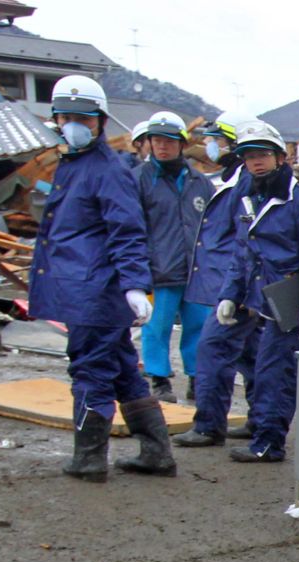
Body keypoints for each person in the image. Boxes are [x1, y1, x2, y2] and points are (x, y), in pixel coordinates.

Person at [29, 75, 176, 481]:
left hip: (95, 291)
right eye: (68, 117)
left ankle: (89, 459)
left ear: (100, 122)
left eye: (85, 118)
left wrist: (133, 284)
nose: (75, 124)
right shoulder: (74, 165)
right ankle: (156, 454)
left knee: (90, 368)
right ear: (56, 118)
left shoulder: (106, 170)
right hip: (87, 286)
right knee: (123, 369)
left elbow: (127, 230)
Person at [214, 119, 299, 463]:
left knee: (275, 372)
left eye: (262, 154)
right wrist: (230, 294)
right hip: (261, 297)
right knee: (257, 366)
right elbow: (243, 251)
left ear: (279, 157)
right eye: (249, 155)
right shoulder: (250, 196)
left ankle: (269, 442)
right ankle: (263, 432)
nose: (255, 161)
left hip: (290, 301)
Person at [172, 118, 261, 448]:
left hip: (234, 285)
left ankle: (209, 425)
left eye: (215, 139)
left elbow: (245, 239)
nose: (210, 145)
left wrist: (236, 290)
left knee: (213, 349)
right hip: (229, 283)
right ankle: (259, 420)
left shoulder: (245, 183)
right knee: (251, 356)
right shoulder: (233, 180)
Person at [134, 110, 214, 403]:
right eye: (156, 140)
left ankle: (196, 378)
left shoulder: (199, 182)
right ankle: (159, 379)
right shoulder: (139, 180)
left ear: (181, 144)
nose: (162, 146)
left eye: (168, 141)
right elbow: (131, 228)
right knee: (156, 327)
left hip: (196, 273)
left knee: (198, 327)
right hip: (158, 270)